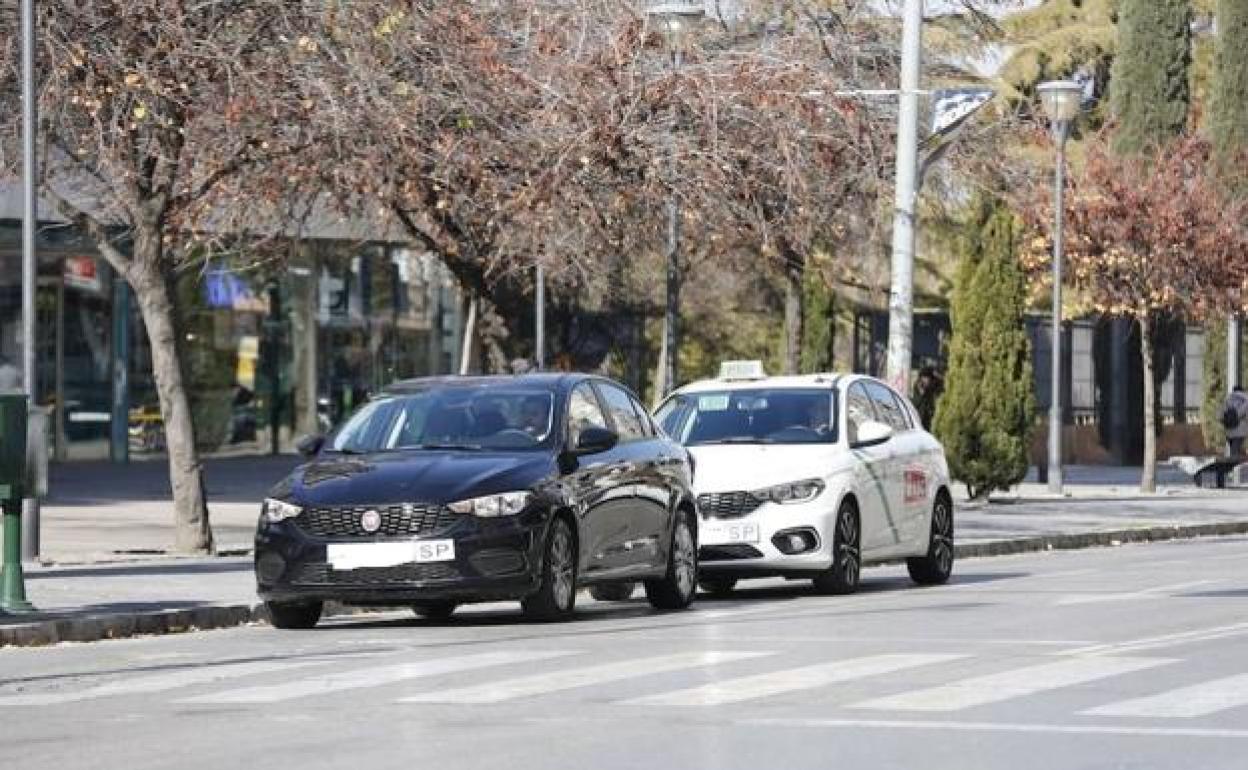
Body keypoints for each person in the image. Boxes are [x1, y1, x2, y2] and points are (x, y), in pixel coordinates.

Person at [912, 366, 944, 431]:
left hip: (932, 415)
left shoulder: (935, 384)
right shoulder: (918, 385)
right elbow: (916, 403)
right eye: (924, 378)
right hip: (921, 417)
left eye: (927, 378)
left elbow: (943, 383)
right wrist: (921, 394)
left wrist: (937, 375)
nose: (926, 380)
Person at [1223, 385, 1248, 457]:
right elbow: (1241, 413)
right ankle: (1234, 466)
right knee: (1235, 453)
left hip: (1229, 430)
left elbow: (1221, 414)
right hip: (1240, 431)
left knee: (1234, 450)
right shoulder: (1245, 399)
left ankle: (1235, 464)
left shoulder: (1228, 399)